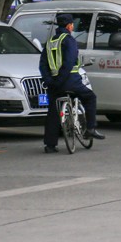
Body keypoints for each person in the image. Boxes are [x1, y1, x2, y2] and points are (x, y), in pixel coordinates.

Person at [39, 13, 103, 153]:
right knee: (90, 97)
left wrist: (50, 81)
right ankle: (90, 128)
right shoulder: (69, 40)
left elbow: (43, 65)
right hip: (70, 81)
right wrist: (60, 80)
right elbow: (68, 63)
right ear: (69, 26)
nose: (73, 27)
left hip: (54, 84)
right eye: (72, 24)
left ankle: (50, 145)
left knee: (53, 112)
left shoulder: (50, 42)